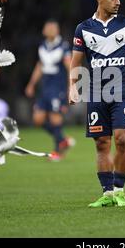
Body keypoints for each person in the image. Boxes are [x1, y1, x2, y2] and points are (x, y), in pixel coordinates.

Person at [69, 0, 125, 207]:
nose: (118, 1)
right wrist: (72, 86)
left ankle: (120, 190)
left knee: (121, 139)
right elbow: (75, 62)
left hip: (121, 89)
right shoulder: (83, 28)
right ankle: (107, 194)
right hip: (95, 92)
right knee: (102, 143)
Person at [25, 19, 75, 161]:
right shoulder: (42, 46)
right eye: (49, 28)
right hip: (45, 88)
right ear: (44, 31)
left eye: (53, 28)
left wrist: (71, 86)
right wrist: (31, 84)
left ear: (57, 31)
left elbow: (69, 67)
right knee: (38, 119)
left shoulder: (63, 46)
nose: (51, 30)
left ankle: (58, 151)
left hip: (57, 88)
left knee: (55, 118)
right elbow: (40, 66)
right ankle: (63, 140)